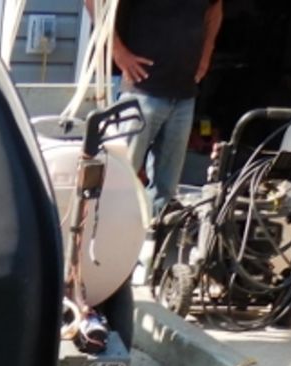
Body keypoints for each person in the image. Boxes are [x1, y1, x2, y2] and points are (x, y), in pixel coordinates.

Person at [86, 0, 223, 211]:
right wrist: (118, 52)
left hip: (184, 94)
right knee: (120, 178)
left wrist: (206, 55)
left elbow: (215, 9)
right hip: (142, 91)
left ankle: (153, 238)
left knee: (165, 190)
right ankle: (109, 236)